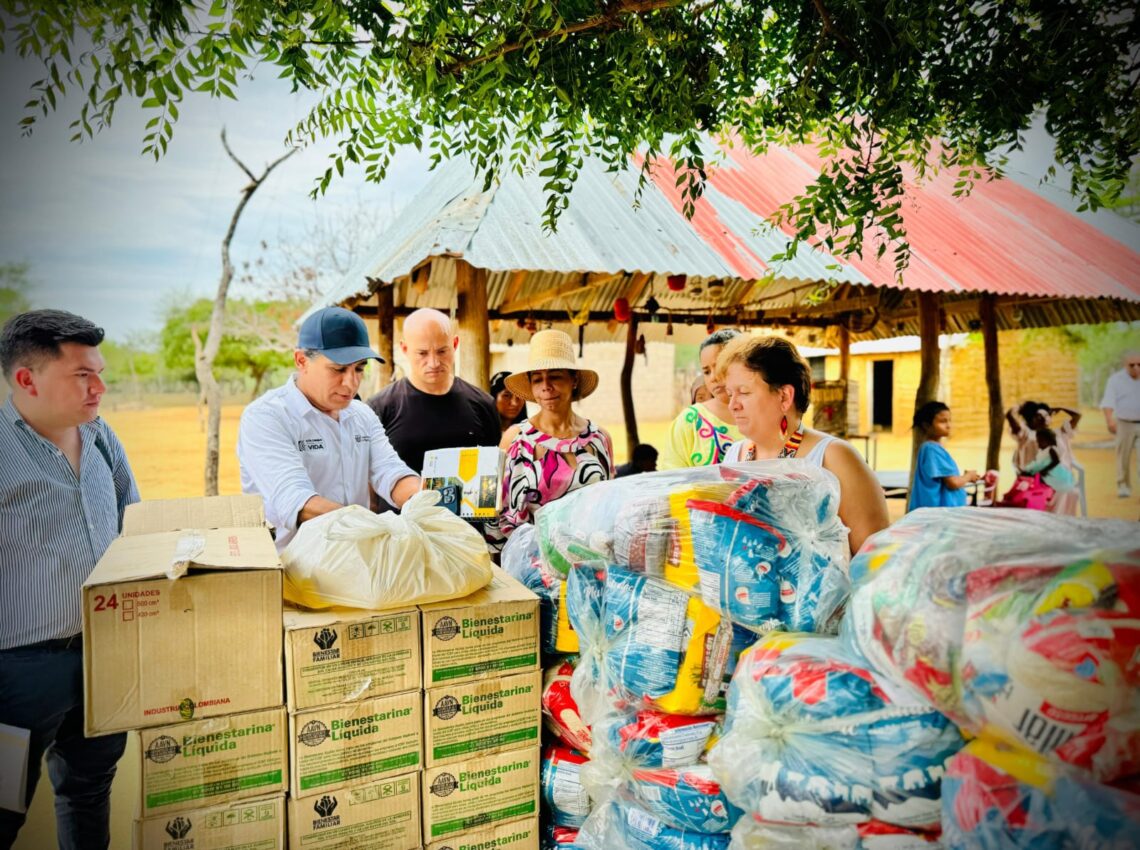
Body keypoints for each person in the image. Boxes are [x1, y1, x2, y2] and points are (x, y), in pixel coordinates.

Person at [0, 309, 139, 849]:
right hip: (18, 672)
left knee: (88, 792)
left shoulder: (101, 436)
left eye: (99, 372)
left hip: (105, 656)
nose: (100, 388)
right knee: (5, 808)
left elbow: (132, 516)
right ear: (27, 379)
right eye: (83, 375)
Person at [237, 306, 420, 552]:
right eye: (338, 369)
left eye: (359, 369)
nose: (351, 383)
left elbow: (390, 471)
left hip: (357, 560)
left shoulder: (362, 415)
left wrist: (425, 499)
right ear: (302, 360)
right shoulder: (266, 417)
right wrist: (373, 527)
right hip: (290, 569)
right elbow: (296, 500)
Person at [716, 335, 889, 555]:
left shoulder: (834, 457)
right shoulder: (735, 455)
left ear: (784, 396)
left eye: (744, 392)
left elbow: (873, 560)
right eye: (730, 394)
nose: (732, 405)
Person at [496, 329, 614, 538]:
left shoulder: (599, 439)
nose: (546, 387)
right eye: (537, 380)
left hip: (591, 561)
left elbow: (609, 507)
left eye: (555, 377)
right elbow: (499, 514)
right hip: (530, 563)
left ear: (574, 380)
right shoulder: (515, 440)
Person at [367, 309, 501, 478]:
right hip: (401, 505)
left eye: (442, 351)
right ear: (405, 349)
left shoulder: (483, 404)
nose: (434, 363)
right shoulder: (379, 408)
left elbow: (493, 472)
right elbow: (368, 476)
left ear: (455, 344)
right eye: (422, 353)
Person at [659, 329, 743, 469]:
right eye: (706, 371)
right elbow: (671, 477)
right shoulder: (690, 421)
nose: (713, 377)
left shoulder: (767, 415)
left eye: (720, 367)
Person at [1005, 399, 1082, 514]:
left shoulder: (1060, 433)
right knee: (1062, 490)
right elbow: (1013, 423)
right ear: (1031, 420)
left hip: (1057, 478)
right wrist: (1013, 412)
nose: (1043, 418)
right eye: (1038, 416)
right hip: (1036, 481)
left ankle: (1061, 521)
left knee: (1067, 490)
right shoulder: (1027, 435)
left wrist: (1061, 408)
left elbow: (1077, 415)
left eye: (1046, 415)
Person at [909, 400, 981, 511]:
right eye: (942, 421)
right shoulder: (932, 450)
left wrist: (963, 477)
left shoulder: (932, 448)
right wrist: (968, 476)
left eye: (949, 421)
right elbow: (952, 483)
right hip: (939, 514)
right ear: (927, 425)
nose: (948, 425)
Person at [1101, 350, 1140, 498]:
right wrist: (1109, 419)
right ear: (1125, 365)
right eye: (1132, 365)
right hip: (1125, 423)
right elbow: (1108, 401)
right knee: (1123, 456)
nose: (1136, 368)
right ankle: (1123, 486)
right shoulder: (1115, 380)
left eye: (1139, 364)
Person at [1017, 428, 1075, 502]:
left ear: (1048, 440)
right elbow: (1038, 463)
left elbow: (1056, 461)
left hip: (1052, 472)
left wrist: (1046, 470)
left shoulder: (1051, 449)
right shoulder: (1042, 451)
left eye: (1041, 441)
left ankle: (1037, 494)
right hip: (1044, 471)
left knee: (1034, 477)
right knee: (1026, 474)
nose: (1038, 443)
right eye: (1038, 441)